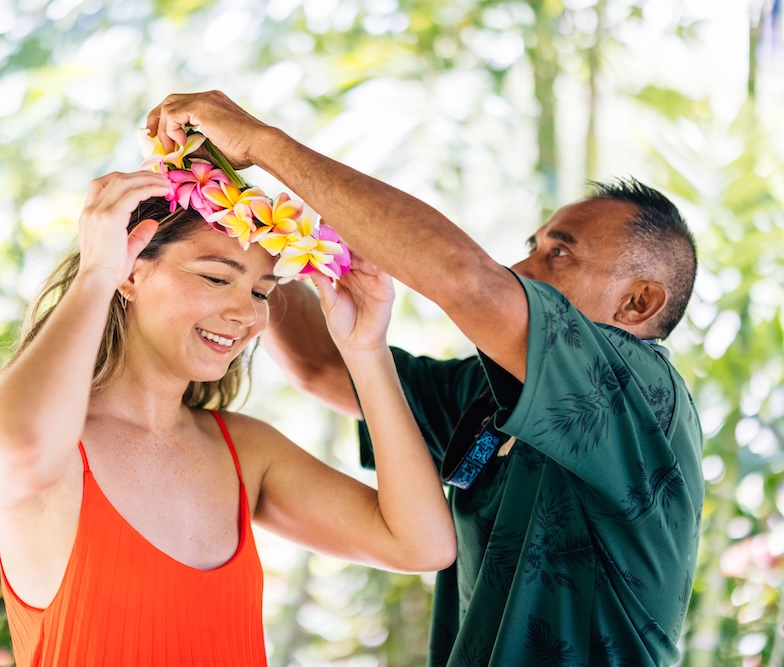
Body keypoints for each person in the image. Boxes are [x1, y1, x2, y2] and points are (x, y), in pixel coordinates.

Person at [146, 91, 704, 666]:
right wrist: (252, 220)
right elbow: (325, 367)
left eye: (559, 255)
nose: (522, 269)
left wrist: (261, 144)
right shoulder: (491, 397)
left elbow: (467, 280)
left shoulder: (642, 393)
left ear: (638, 303)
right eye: (532, 248)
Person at [0, 133, 457, 666]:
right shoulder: (55, 456)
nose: (247, 314)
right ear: (132, 270)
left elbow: (421, 545)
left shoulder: (245, 453)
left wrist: (366, 350)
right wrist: (97, 272)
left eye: (260, 292)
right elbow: (14, 448)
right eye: (216, 278)